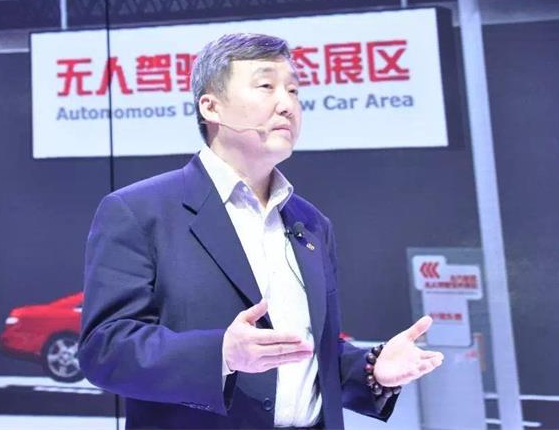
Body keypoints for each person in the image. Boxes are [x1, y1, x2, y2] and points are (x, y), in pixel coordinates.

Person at [78, 33, 444, 429]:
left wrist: (371, 370)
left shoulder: (311, 223)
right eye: (266, 86)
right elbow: (106, 349)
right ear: (211, 106)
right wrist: (220, 354)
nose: (287, 104)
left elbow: (309, 353)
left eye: (293, 90)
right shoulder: (139, 211)